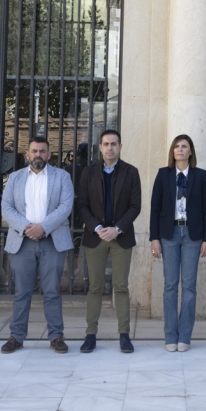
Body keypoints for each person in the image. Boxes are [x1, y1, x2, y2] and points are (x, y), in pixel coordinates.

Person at [0, 136, 75, 354]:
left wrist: (43, 227)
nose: (38, 155)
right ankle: (16, 336)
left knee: (52, 291)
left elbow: (65, 206)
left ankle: (56, 336)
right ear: (27, 154)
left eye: (43, 151)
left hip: (52, 241)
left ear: (49, 155)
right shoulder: (14, 178)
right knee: (22, 292)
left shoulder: (62, 177)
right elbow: (6, 208)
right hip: (22, 242)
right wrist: (26, 227)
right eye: (34, 151)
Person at [77, 129, 141, 354]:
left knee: (121, 287)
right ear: (100, 147)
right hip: (95, 238)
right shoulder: (88, 172)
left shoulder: (131, 172)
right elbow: (82, 205)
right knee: (94, 288)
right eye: (106, 144)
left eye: (114, 144)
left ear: (120, 147)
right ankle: (90, 335)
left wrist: (117, 229)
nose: (110, 148)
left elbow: (135, 206)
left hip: (121, 238)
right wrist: (97, 227)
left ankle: (124, 336)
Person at [150, 134, 206, 352]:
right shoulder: (163, 174)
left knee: (189, 286)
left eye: (184, 146)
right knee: (169, 285)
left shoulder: (201, 176)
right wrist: (154, 238)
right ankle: (170, 335)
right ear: (172, 151)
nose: (180, 149)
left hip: (193, 235)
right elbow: (155, 207)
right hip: (169, 233)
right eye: (176, 146)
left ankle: (185, 335)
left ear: (191, 151)